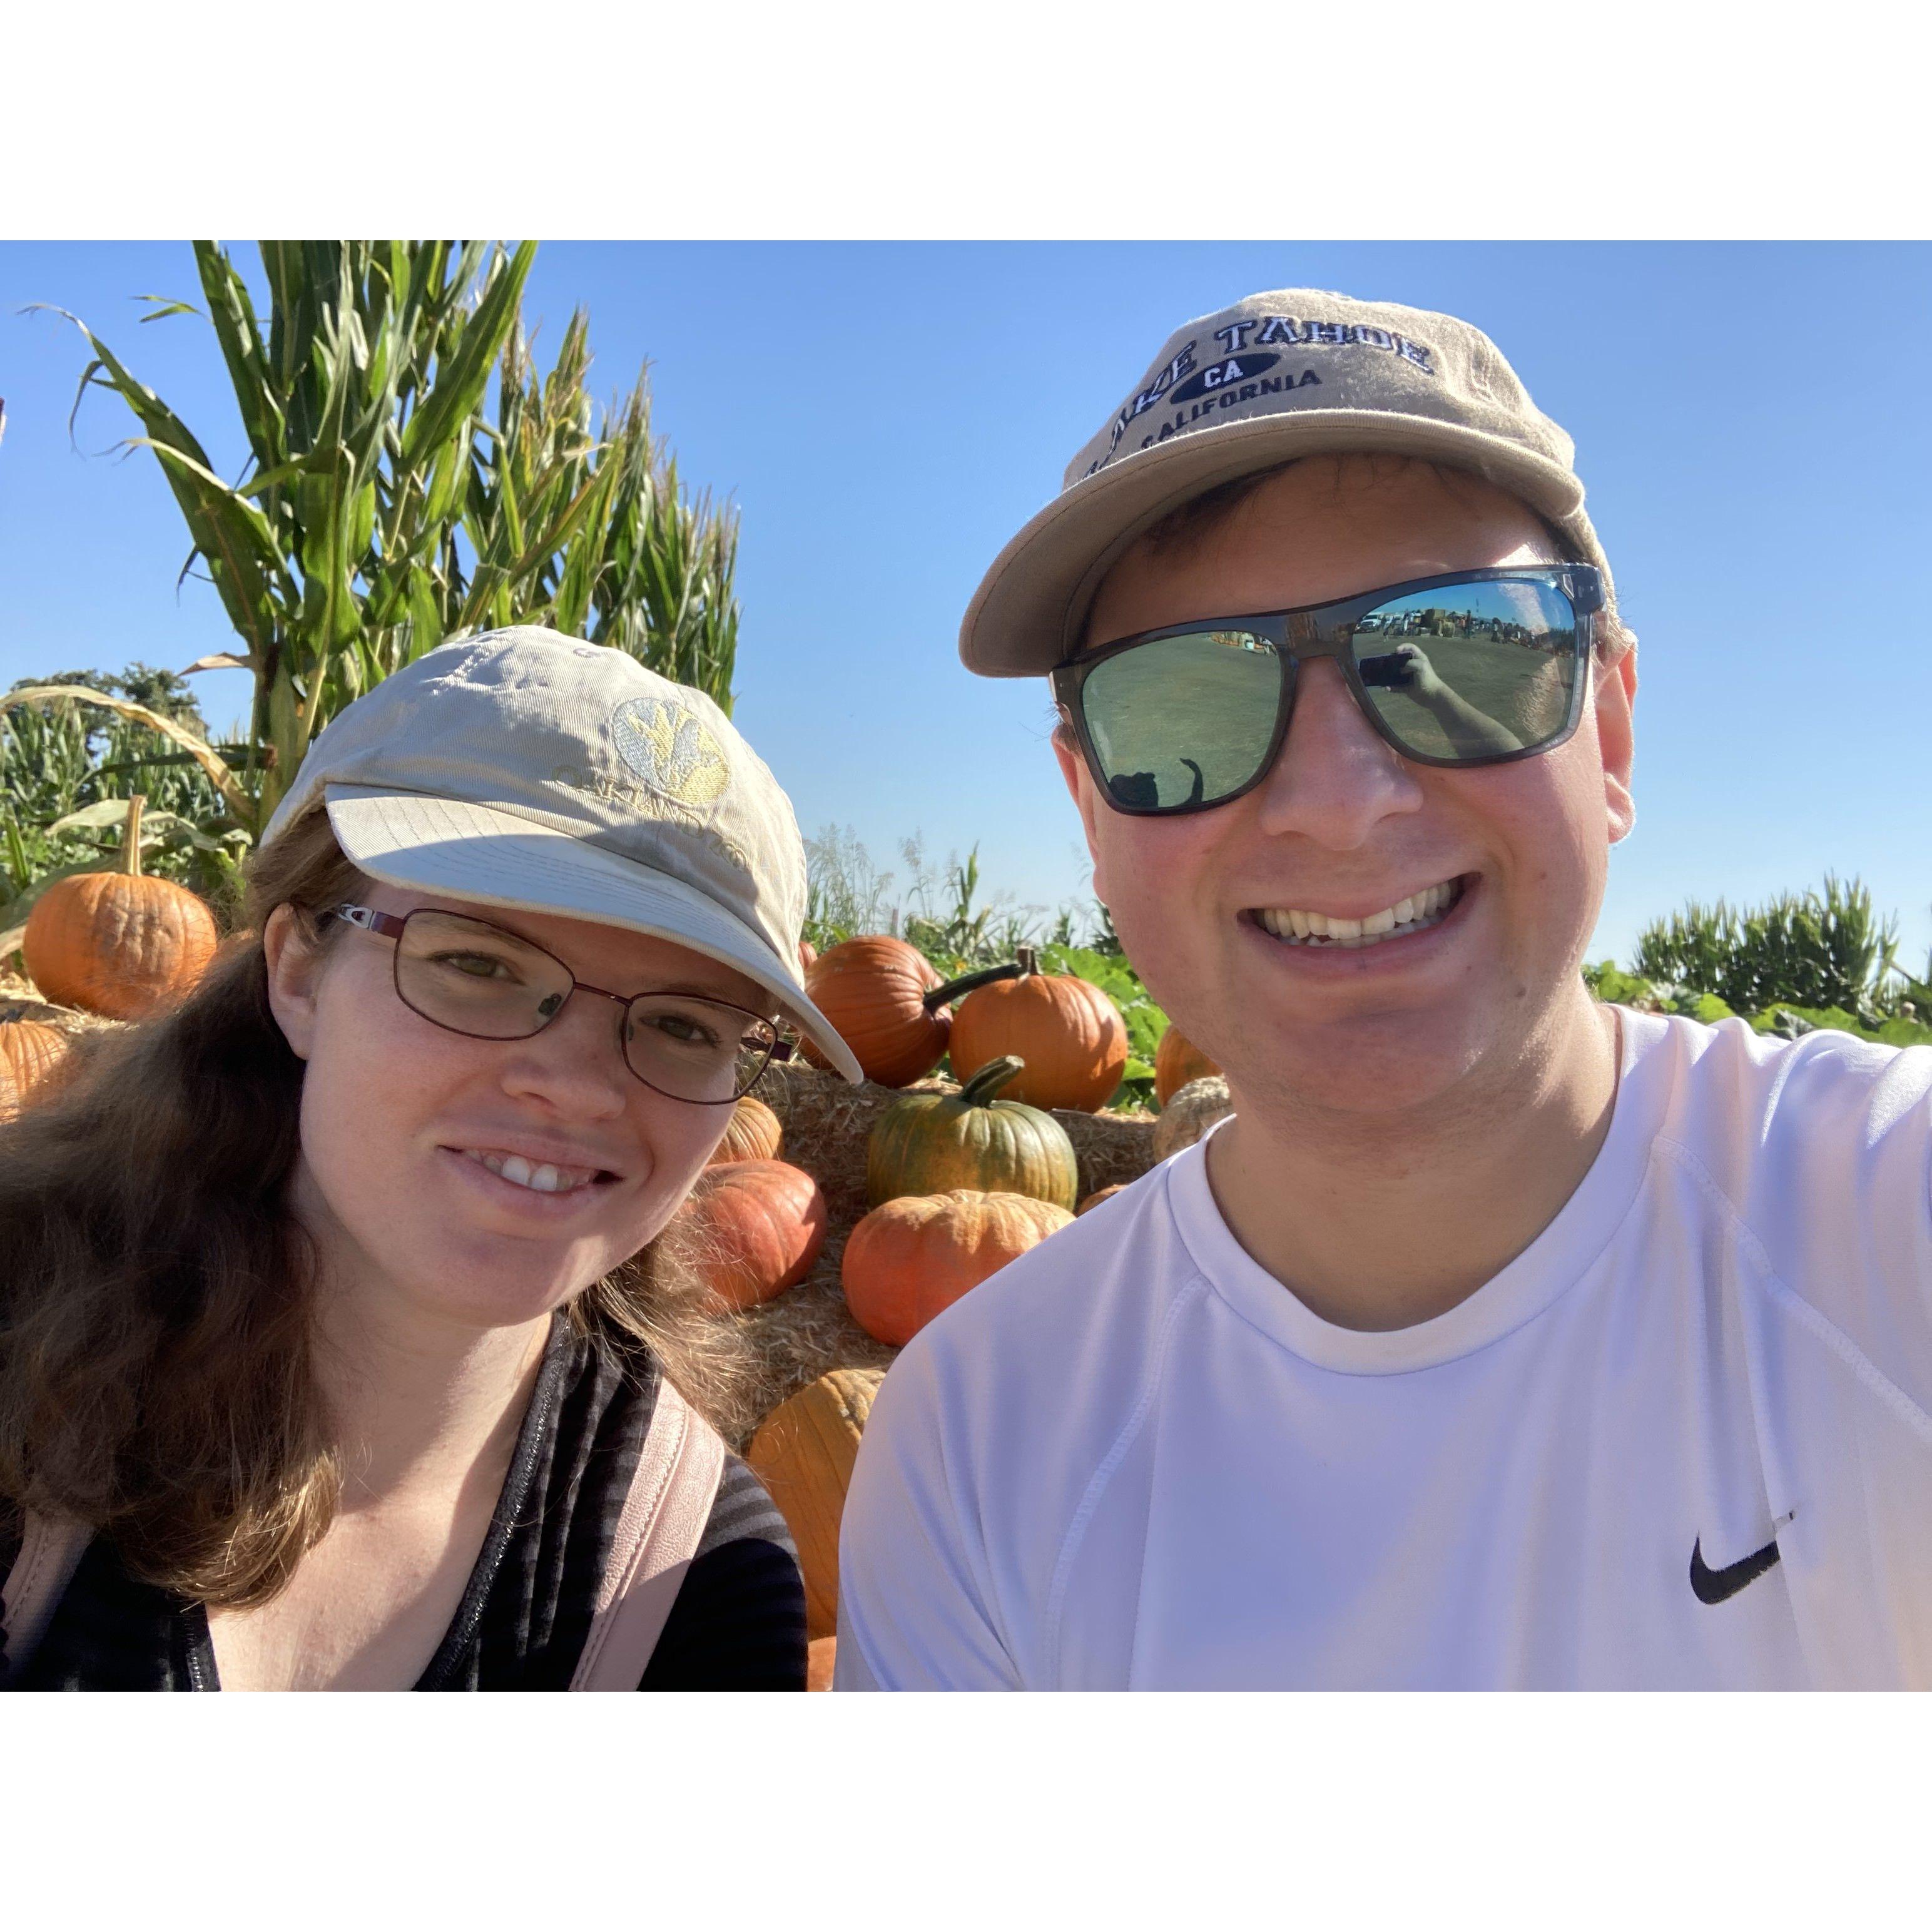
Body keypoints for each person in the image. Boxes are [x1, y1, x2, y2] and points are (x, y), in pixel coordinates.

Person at [835, 289, 1932, 1690]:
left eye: (1453, 649)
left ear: (1604, 727)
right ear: (1090, 814)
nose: (1337, 802)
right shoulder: (978, 1439)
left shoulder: (1881, 1223)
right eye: (1180, 706)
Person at [0, 626, 865, 1691]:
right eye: (477, 962)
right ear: (299, 973)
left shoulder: (695, 1580)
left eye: (685, 1025)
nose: (583, 1085)